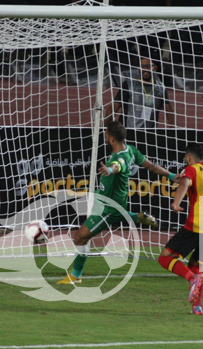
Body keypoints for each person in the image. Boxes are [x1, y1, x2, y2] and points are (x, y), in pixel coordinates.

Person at [57, 121, 175, 284]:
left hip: (108, 210)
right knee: (105, 219)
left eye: (106, 135)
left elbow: (117, 165)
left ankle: (75, 276)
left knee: (80, 238)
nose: (104, 137)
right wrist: (171, 176)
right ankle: (136, 217)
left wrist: (110, 169)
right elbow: (152, 166)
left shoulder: (120, 157)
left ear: (112, 139)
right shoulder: (131, 150)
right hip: (111, 202)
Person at [157, 143, 203, 315]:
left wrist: (176, 202)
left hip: (198, 224)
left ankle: (191, 278)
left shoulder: (191, 169)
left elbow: (184, 183)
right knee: (195, 264)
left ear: (188, 157)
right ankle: (197, 307)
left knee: (165, 258)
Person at [112, 55, 175, 129]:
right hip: (129, 131)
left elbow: (169, 111)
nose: (145, 69)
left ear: (154, 68)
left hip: (150, 133)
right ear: (139, 68)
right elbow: (114, 107)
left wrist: (172, 130)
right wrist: (105, 128)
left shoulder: (161, 88)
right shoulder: (129, 84)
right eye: (142, 66)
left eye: (148, 66)